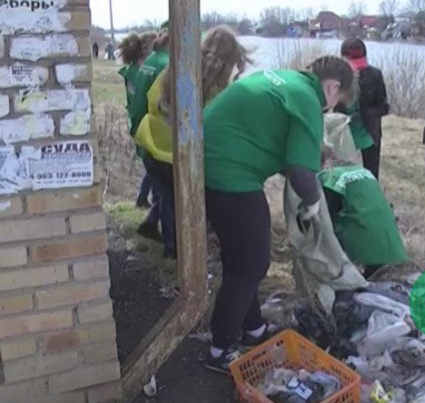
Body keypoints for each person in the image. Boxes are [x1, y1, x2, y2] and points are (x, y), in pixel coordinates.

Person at [203, 56, 356, 373]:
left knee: (239, 261)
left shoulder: (286, 81)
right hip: (229, 173)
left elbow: (284, 148)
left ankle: (254, 329)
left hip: (206, 160)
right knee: (251, 264)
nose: (330, 110)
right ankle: (220, 348)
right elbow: (300, 172)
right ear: (333, 87)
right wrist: (313, 201)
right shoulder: (307, 99)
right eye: (335, 102)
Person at [134, 25, 251, 260]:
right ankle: (190, 253)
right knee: (191, 206)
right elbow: (216, 127)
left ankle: (172, 250)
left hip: (154, 148)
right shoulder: (220, 88)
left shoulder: (175, 66)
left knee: (168, 200)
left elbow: (151, 99)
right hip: (187, 157)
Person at [320, 155, 407, 280]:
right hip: (391, 241)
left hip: (361, 238)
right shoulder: (367, 173)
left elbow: (324, 215)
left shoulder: (329, 177)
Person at [117, 33, 161, 241]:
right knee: (155, 166)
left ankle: (143, 198)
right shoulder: (141, 72)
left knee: (150, 165)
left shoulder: (131, 71)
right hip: (145, 124)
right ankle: (146, 202)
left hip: (136, 123)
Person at [338, 38, 389, 180]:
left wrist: (364, 114)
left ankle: (372, 199)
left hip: (369, 135)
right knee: (343, 176)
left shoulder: (374, 75)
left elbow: (384, 107)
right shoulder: (337, 79)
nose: (358, 70)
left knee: (371, 176)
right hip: (345, 135)